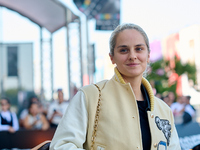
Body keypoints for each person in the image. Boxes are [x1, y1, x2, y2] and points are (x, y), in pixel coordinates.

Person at [50, 23, 181, 149]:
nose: (132, 56)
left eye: (139, 49)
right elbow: (62, 145)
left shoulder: (164, 110)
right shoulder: (90, 96)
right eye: (124, 50)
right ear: (112, 57)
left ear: (148, 55)